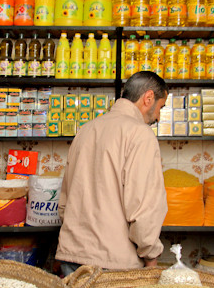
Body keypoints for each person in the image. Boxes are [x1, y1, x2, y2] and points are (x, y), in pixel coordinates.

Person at [56, 71, 169, 276]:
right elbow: (143, 208)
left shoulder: (86, 130)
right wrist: (151, 257)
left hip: (71, 256)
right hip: (113, 263)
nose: (159, 116)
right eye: (161, 107)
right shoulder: (140, 134)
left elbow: (64, 202)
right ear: (148, 98)